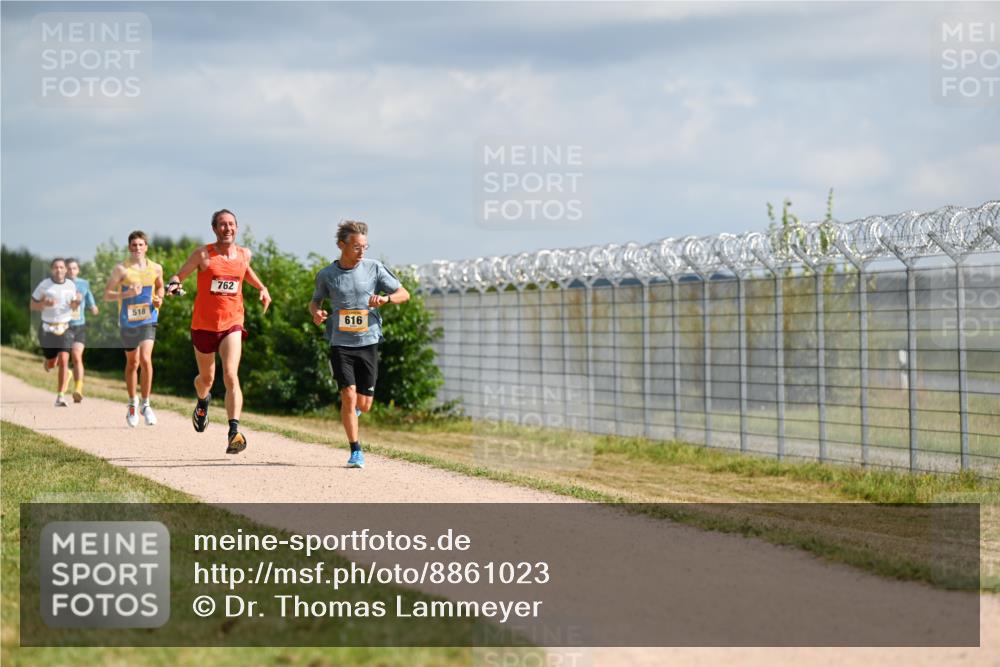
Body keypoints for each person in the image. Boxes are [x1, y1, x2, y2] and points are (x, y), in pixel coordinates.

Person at [166, 208, 271, 454]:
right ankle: (203, 401)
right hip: (203, 326)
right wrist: (173, 284)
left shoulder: (245, 254)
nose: (227, 228)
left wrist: (262, 288)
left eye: (231, 224)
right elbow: (178, 275)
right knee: (207, 380)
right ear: (214, 229)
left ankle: (233, 431)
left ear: (236, 227)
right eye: (222, 224)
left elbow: (244, 271)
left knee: (231, 375)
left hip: (232, 324)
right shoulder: (203, 254)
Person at [309, 220, 409, 468]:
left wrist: (385, 299)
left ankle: (352, 414)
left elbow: (404, 294)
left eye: (365, 246)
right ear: (342, 245)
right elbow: (315, 302)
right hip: (340, 343)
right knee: (348, 395)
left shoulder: (374, 268)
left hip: (368, 341)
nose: (362, 251)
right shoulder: (326, 275)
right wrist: (316, 313)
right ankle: (356, 450)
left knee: (364, 403)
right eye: (356, 246)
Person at [103, 231, 164, 428]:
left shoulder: (156, 268)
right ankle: (132, 403)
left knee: (146, 359)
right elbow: (107, 295)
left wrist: (159, 298)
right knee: (133, 363)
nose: (137, 248)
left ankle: (146, 404)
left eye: (141, 245)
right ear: (129, 247)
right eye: (134, 245)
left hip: (148, 318)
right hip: (128, 321)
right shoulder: (121, 270)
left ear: (146, 247)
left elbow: (160, 288)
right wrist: (127, 292)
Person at [30, 258, 82, 406]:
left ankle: (60, 396)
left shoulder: (71, 285)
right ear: (51, 270)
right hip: (47, 328)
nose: (59, 270)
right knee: (52, 363)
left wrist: (77, 302)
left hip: (65, 327)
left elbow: (73, 306)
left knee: (65, 359)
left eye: (61, 267)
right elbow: (32, 305)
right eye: (55, 267)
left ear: (65, 270)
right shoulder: (44, 285)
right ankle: (49, 362)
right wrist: (43, 303)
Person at [66, 258, 99, 403]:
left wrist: (92, 306)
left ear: (78, 270)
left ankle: (78, 389)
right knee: (60, 358)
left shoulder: (83, 283)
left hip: (79, 325)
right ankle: (54, 365)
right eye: (68, 268)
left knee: (77, 356)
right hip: (63, 325)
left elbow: (89, 295)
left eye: (74, 268)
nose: (71, 271)